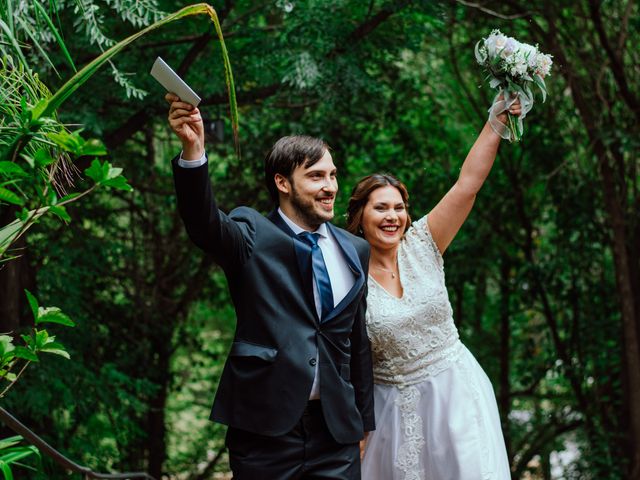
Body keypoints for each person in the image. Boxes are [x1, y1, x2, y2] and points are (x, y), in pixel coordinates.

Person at [165, 93, 375, 479]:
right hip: (265, 432)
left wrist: (363, 421)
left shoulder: (355, 249)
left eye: (332, 175)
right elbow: (203, 223)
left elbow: (356, 342)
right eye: (315, 176)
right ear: (282, 182)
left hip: (336, 433)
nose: (330, 186)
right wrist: (193, 151)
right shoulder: (251, 235)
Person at [346, 98, 522, 479]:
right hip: (391, 413)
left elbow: (467, 186)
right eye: (380, 208)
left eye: (398, 207)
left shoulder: (424, 243)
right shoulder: (346, 273)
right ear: (359, 216)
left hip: (454, 394)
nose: (392, 216)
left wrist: (495, 123)